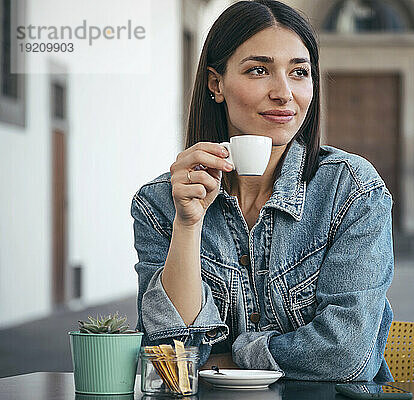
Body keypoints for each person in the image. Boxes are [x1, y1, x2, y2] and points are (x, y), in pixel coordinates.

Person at [131, 0, 394, 382]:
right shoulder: (159, 203)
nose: (284, 93)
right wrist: (187, 225)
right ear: (215, 83)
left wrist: (233, 358)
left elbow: (346, 354)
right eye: (259, 70)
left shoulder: (351, 190)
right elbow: (172, 358)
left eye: (299, 72)